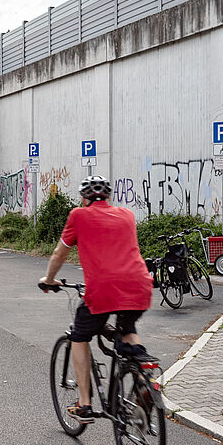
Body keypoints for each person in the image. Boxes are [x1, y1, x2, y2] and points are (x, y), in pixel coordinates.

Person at [39, 175, 155, 424]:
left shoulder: (78, 215)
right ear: (109, 197)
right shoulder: (126, 215)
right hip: (139, 286)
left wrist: (49, 279)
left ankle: (84, 404)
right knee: (127, 328)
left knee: (79, 335)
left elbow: (60, 253)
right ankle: (143, 378)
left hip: (103, 289)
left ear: (84, 198)